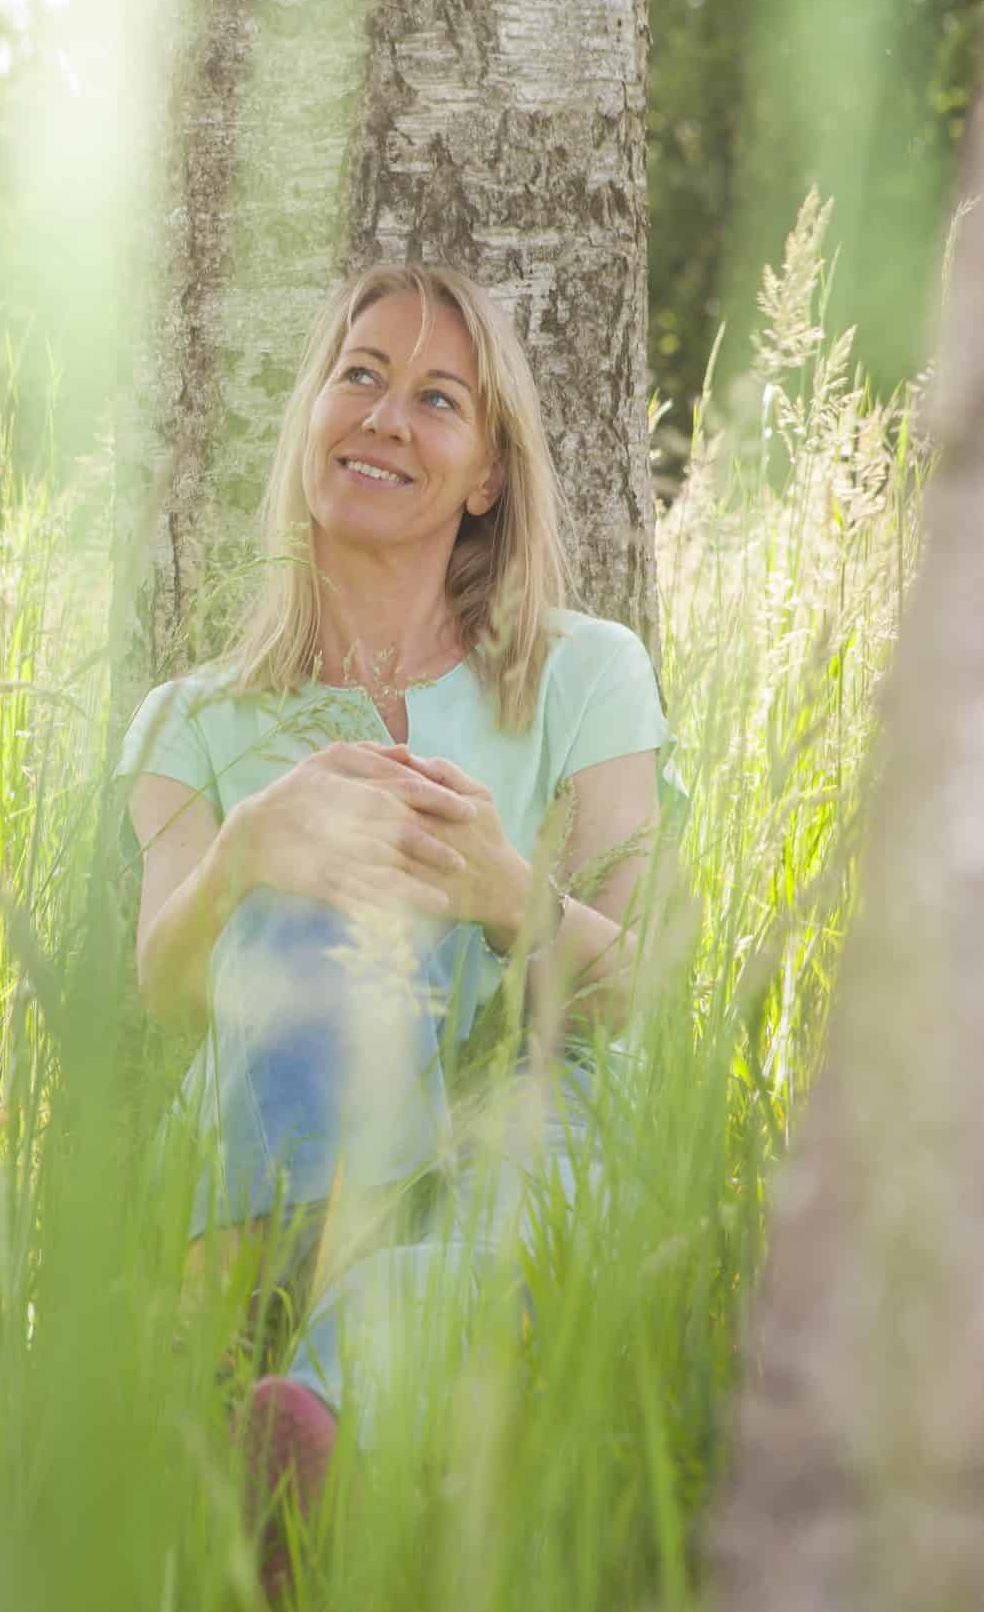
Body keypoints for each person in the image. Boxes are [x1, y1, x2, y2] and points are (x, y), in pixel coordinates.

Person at [115, 263, 676, 1590]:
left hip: (528, 1097)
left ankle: (295, 1434)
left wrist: (498, 892)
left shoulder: (584, 671)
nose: (384, 416)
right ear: (309, 415)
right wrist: (250, 854)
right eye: (359, 375)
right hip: (274, 1145)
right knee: (320, 917)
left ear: (487, 475)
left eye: (438, 399)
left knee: (518, 1177)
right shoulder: (194, 717)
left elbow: (639, 989)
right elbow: (164, 994)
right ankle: (254, 1354)